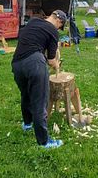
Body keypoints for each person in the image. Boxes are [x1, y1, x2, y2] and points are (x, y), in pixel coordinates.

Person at [11, 10, 67, 149]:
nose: (59, 29)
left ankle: (27, 124)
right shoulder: (53, 32)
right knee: (40, 102)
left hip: (17, 64)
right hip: (35, 63)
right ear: (59, 21)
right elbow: (51, 60)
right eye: (60, 26)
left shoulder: (33, 21)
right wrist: (57, 65)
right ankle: (44, 141)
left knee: (26, 95)